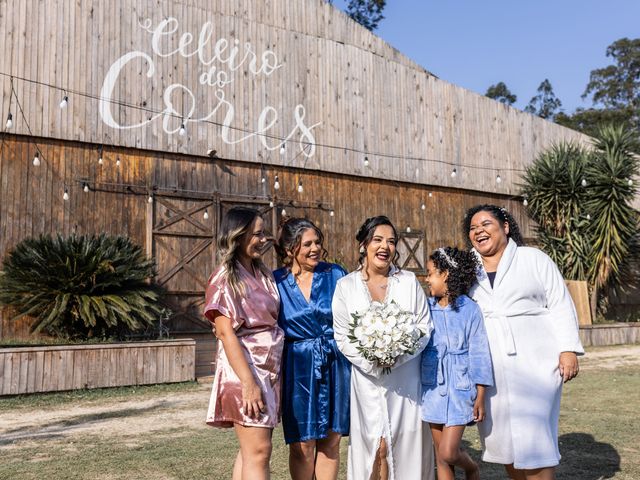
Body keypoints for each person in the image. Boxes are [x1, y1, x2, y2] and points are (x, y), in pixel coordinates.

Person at [464, 204, 584, 480]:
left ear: (505, 226)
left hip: (536, 361)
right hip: (489, 365)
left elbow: (560, 302)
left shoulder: (534, 259)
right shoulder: (467, 267)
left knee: (534, 435)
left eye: (486, 224)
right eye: (473, 228)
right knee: (503, 438)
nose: (478, 231)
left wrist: (568, 349)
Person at [332, 216, 435, 480]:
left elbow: (424, 328)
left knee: (403, 446)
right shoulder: (346, 286)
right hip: (366, 381)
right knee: (375, 448)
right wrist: (374, 361)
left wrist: (396, 357)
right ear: (364, 245)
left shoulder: (409, 282)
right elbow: (342, 336)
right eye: (377, 239)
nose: (385, 247)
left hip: (405, 380)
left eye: (391, 241)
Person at [203, 207, 283, 480]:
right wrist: (248, 384)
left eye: (264, 234)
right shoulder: (225, 278)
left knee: (250, 451)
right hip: (245, 370)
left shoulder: (261, 272)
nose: (263, 239)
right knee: (259, 451)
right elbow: (225, 333)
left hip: (268, 369)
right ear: (238, 236)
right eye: (257, 234)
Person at [273, 218, 351, 480]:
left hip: (335, 362)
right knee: (302, 445)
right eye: (307, 244)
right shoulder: (276, 282)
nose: (315, 248)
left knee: (331, 440)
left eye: (318, 242)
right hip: (298, 365)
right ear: (290, 248)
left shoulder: (336, 274)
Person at [420, 247, 494, 480]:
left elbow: (480, 353)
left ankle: (471, 468)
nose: (426, 278)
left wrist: (481, 395)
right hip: (432, 386)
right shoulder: (425, 308)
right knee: (440, 457)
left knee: (449, 452)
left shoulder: (469, 309)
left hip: (461, 387)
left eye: (430, 273)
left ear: (446, 275)